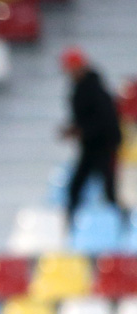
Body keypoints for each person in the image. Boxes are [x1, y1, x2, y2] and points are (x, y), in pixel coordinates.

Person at [60, 47, 124, 225]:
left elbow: (105, 120)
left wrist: (82, 130)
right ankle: (71, 225)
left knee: (109, 189)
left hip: (104, 146)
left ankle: (120, 227)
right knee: (77, 187)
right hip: (90, 147)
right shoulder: (82, 88)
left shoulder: (94, 89)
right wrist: (75, 129)